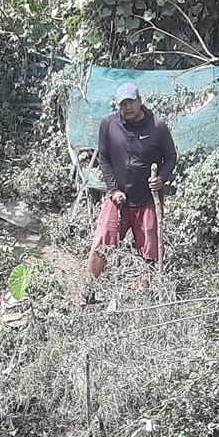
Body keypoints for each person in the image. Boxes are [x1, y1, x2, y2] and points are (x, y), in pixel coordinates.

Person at [86, 82, 176, 297]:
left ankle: (142, 295)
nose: (127, 107)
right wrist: (113, 190)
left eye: (131, 102)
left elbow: (171, 157)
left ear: (140, 100)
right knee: (101, 243)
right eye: (123, 103)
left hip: (147, 201)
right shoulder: (108, 124)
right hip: (117, 199)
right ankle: (87, 291)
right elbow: (104, 159)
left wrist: (162, 178)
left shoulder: (157, 126)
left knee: (149, 249)